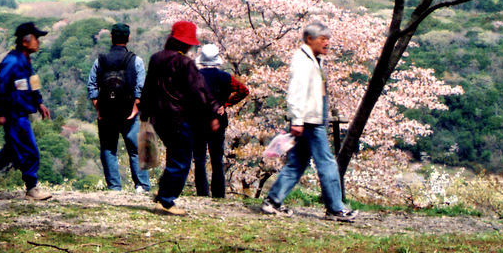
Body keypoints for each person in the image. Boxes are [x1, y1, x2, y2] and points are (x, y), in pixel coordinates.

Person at [261, 22, 359, 222]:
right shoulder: (302, 61)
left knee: (297, 163)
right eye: (322, 39)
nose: (327, 43)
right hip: (308, 121)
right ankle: (335, 208)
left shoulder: (315, 59)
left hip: (311, 120)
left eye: (328, 39)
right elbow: (295, 93)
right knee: (327, 163)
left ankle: (272, 202)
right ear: (309, 39)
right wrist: (296, 120)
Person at [139, 20, 220, 216]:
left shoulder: (156, 58)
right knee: (181, 159)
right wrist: (213, 113)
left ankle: (163, 193)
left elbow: (148, 86)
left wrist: (145, 112)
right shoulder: (185, 63)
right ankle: (166, 202)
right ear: (186, 43)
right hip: (179, 118)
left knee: (175, 156)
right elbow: (199, 91)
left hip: (159, 118)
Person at [0, 22, 53, 202]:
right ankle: (32, 188)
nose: (38, 42)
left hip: (20, 113)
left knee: (10, 153)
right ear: (25, 41)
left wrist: (39, 103)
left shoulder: (25, 61)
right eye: (36, 38)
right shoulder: (12, 61)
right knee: (31, 151)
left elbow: (32, 82)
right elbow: (0, 87)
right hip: (14, 115)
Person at [87, 23, 150, 192]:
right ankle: (142, 185)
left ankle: (115, 187)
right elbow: (141, 87)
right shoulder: (135, 60)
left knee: (109, 149)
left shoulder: (100, 60)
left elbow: (92, 85)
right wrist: (136, 108)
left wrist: (98, 108)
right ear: (128, 38)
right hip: (129, 112)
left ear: (112, 38)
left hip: (106, 112)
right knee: (135, 150)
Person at [192, 43, 249, 198]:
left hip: (198, 120)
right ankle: (218, 194)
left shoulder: (194, 76)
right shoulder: (225, 77)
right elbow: (244, 90)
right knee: (217, 158)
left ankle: (202, 194)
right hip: (218, 120)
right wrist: (226, 104)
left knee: (199, 159)